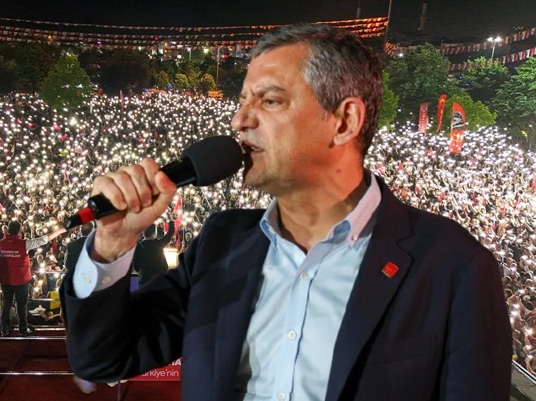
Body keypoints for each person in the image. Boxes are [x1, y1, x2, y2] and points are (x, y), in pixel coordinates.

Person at [61, 24, 512, 400]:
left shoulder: (452, 266)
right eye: (243, 101)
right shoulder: (222, 243)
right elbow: (103, 361)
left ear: (344, 122)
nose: (240, 121)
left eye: (269, 100)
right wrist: (113, 242)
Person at [0, 221, 65, 337]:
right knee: (21, 305)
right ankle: (23, 328)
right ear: (20, 231)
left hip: (5, 280)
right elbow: (43, 240)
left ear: (7, 230)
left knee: (6, 304)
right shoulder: (24, 244)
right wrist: (59, 231)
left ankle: (5, 329)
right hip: (21, 281)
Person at [132, 220, 175, 285]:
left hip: (144, 278)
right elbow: (170, 234)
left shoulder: (138, 247)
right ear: (154, 233)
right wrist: (171, 221)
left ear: (144, 234)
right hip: (159, 278)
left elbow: (136, 265)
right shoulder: (158, 244)